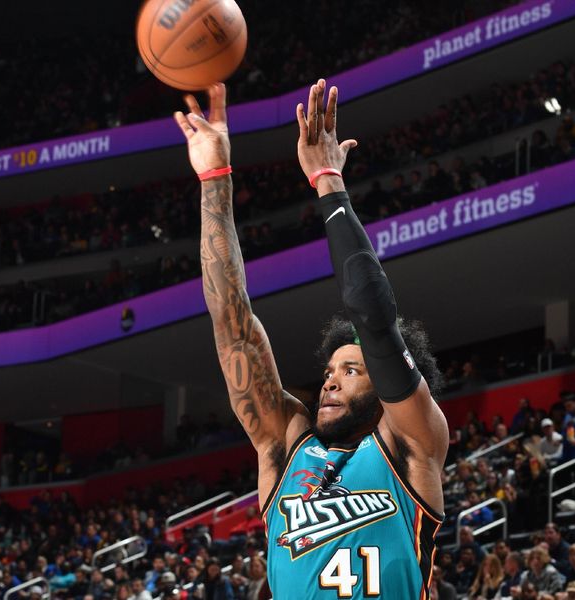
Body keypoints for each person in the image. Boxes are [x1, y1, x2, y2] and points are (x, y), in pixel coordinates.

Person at [173, 79, 449, 599]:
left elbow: (373, 316)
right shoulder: (286, 445)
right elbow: (233, 326)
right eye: (329, 372)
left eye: (351, 371)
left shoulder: (409, 443)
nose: (329, 383)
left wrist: (327, 181)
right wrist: (214, 179)